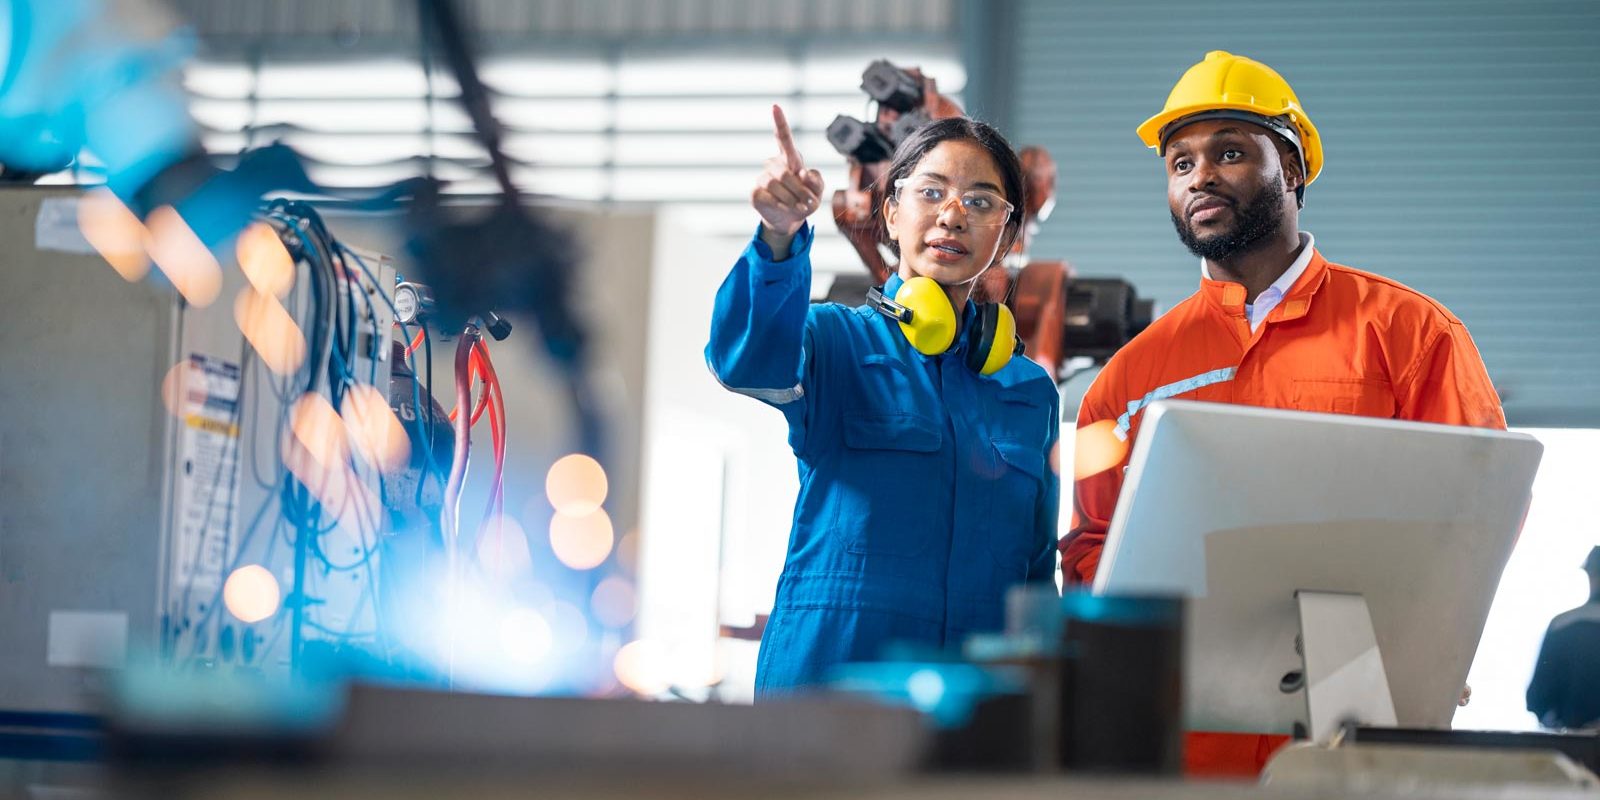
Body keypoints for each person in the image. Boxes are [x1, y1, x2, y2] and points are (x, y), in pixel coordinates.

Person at [1060, 50, 1507, 775]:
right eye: (1179, 163)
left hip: (1359, 727)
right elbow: (1089, 546)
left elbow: (1478, 509)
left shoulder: (1409, 333)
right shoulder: (1129, 377)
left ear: (1293, 170)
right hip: (1188, 737)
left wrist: (1432, 647)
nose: (1199, 175)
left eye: (1230, 152)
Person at [707, 107, 1059, 697]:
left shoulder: (1027, 391)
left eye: (980, 201)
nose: (952, 215)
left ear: (1007, 232)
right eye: (931, 192)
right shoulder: (835, 342)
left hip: (974, 703)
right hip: (830, 690)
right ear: (892, 214)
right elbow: (746, 361)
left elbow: (1034, 576)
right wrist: (778, 237)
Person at [1527, 546, 1600, 730]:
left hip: (1569, 744)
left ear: (1591, 575)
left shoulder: (1562, 624)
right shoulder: (1561, 623)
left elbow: (1536, 698)